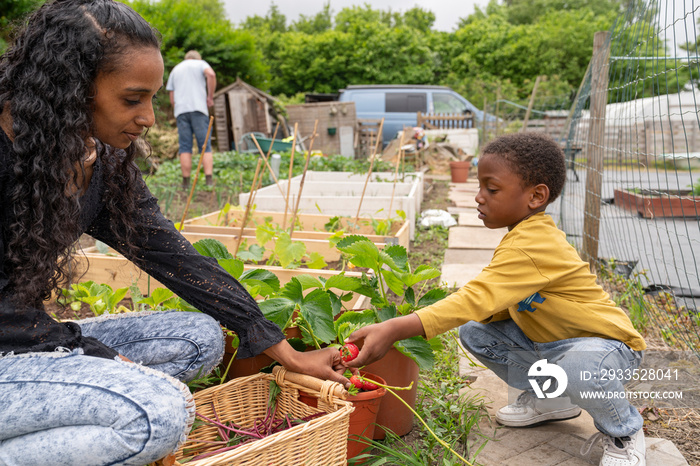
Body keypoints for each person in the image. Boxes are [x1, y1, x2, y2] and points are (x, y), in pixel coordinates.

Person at [0, 1, 347, 465]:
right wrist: (90, 353)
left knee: (199, 339)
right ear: (73, 88)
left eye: (152, 98)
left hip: (30, 345)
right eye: (131, 99)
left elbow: (173, 256)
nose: (149, 118)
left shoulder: (96, 158)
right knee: (158, 414)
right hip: (13, 347)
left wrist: (276, 344)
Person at [346, 132, 648, 466]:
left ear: (535, 196)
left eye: (491, 189)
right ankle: (552, 399)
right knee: (476, 332)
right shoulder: (520, 235)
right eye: (480, 187)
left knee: (580, 366)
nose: (479, 197)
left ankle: (624, 432)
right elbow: (493, 301)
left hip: (606, 347)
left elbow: (475, 297)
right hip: (553, 345)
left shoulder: (535, 242)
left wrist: (395, 328)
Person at [166, 49, 216, 189]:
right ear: (197, 58)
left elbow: (172, 95)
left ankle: (186, 183)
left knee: (185, 146)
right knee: (205, 145)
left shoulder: (176, 69)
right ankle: (209, 181)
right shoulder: (200, 64)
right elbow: (211, 74)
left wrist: (178, 108)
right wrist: (210, 98)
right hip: (199, 109)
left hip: (181, 112)